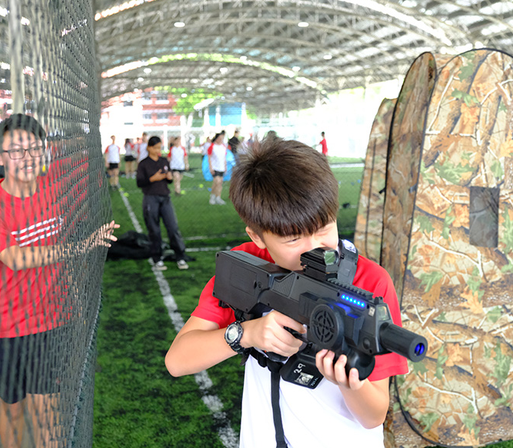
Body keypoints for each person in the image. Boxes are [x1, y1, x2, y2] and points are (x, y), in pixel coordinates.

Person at [165, 136, 408, 448]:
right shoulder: (249, 263)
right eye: (293, 239)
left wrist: (350, 384)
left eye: (324, 230)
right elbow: (178, 360)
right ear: (257, 236)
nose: (313, 249)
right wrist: (246, 334)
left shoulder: (370, 281)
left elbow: (374, 416)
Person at [0, 114, 118, 448]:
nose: (27, 158)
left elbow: (83, 150)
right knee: (11, 410)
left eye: (34, 148)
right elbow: (14, 258)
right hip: (3, 327)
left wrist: (76, 305)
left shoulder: (54, 192)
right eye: (15, 150)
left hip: (51, 322)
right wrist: (80, 247)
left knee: (47, 411)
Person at [136, 136, 189, 271]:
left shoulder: (164, 160)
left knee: (172, 227)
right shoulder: (143, 164)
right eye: (155, 148)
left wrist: (169, 178)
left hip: (165, 198)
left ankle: (180, 256)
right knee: (154, 230)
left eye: (159, 147)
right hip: (150, 198)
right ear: (149, 148)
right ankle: (157, 258)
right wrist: (153, 178)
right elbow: (139, 183)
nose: (158, 150)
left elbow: (168, 179)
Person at [207, 131, 228, 205]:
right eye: (219, 138)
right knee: (217, 182)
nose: (221, 140)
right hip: (215, 167)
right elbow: (209, 158)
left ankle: (216, 197)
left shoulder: (223, 147)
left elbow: (224, 158)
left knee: (219, 183)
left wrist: (225, 166)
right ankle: (214, 197)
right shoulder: (212, 146)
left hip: (221, 167)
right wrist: (211, 167)